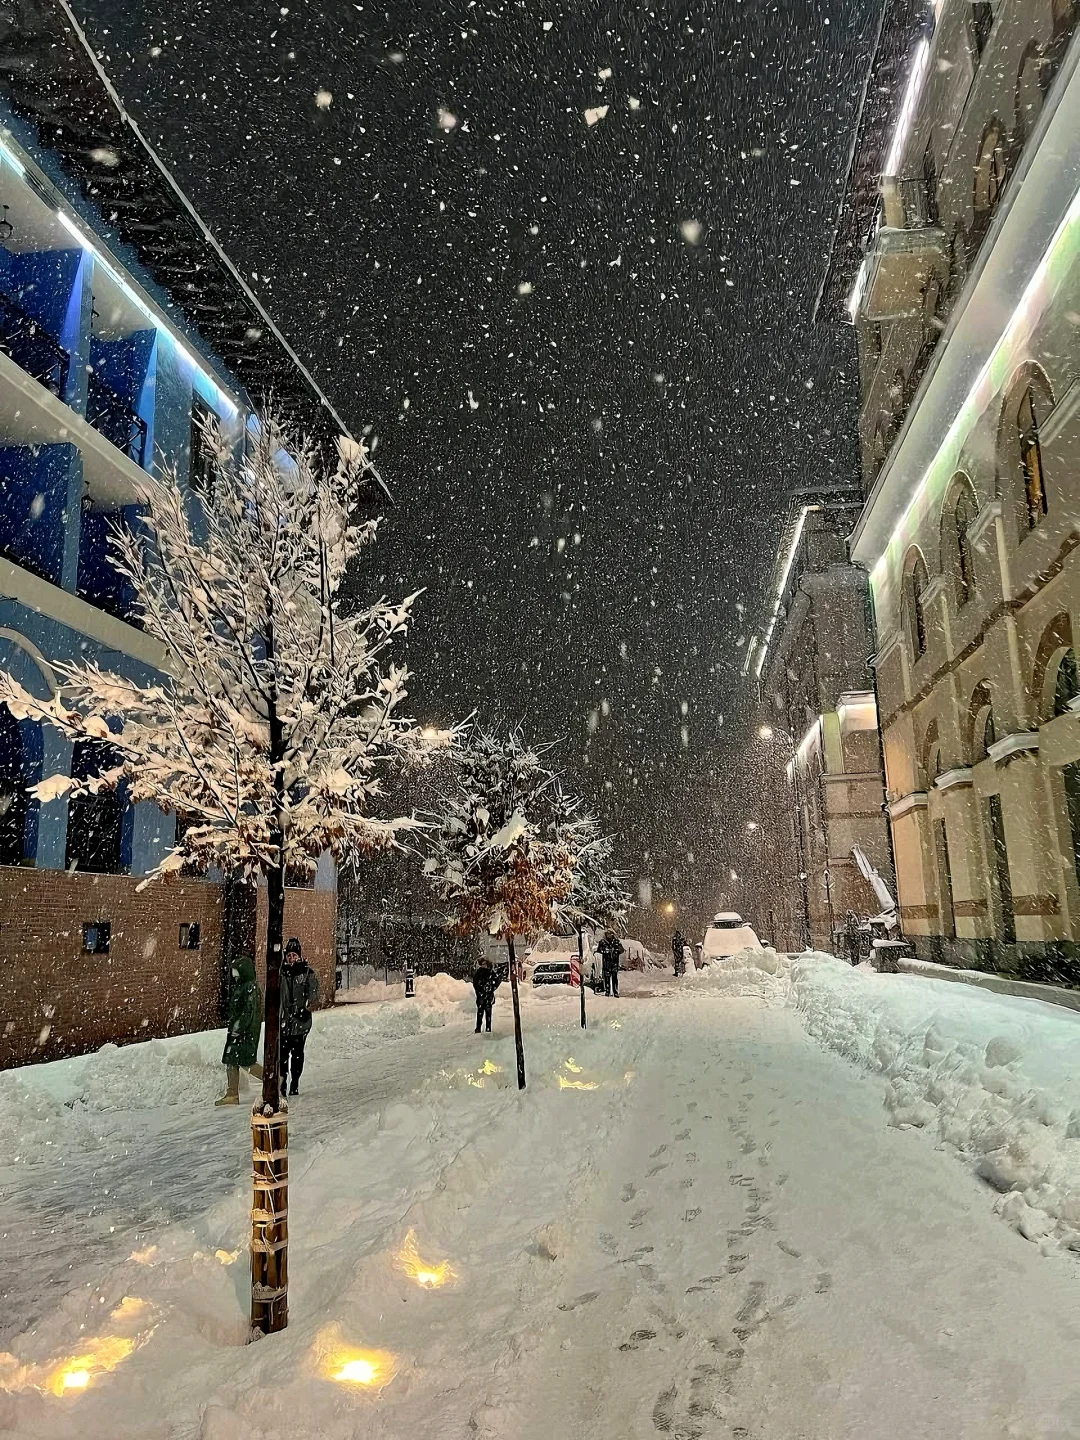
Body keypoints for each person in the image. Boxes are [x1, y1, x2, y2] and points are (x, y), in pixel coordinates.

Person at [215, 953, 263, 1106]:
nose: (234, 975)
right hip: (238, 1031)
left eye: (236, 971)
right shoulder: (242, 986)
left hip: (245, 1032)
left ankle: (274, 1080)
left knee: (245, 1062)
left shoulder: (250, 987)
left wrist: (239, 1027)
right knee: (232, 1059)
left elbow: (248, 1011)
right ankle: (232, 1093)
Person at [279, 937, 319, 1096]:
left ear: (299, 956)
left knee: (297, 1055)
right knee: (282, 1057)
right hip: (284, 1022)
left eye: (294, 955)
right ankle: (282, 1084)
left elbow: (313, 994)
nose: (291, 958)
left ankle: (295, 1082)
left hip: (299, 1022)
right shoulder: (281, 973)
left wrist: (305, 1008)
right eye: (289, 955)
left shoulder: (307, 973)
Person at [472, 955, 502, 1033]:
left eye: (485, 964)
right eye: (483, 964)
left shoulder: (491, 973)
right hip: (481, 996)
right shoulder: (479, 973)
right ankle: (478, 1028)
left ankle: (488, 1028)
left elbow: (496, 981)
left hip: (488, 996)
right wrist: (479, 992)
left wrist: (492, 989)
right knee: (480, 1012)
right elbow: (475, 984)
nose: (484, 965)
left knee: (488, 1013)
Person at [598, 928, 624, 997]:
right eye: (607, 934)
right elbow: (599, 950)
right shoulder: (603, 942)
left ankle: (615, 991)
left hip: (614, 962)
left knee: (614, 978)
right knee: (607, 978)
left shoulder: (616, 942)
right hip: (606, 963)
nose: (609, 935)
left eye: (610, 934)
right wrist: (605, 951)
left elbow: (622, 950)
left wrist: (616, 950)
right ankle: (607, 991)